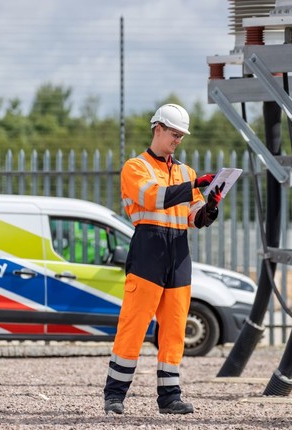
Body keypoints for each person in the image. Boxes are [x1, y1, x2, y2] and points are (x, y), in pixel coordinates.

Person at [103, 103, 224, 415]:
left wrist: (210, 207)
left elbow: (193, 218)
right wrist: (194, 186)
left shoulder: (186, 172)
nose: (178, 140)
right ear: (157, 128)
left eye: (182, 136)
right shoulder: (135, 167)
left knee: (174, 328)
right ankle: (114, 396)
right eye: (174, 134)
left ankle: (170, 398)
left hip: (178, 252)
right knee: (133, 325)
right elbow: (153, 196)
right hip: (148, 249)